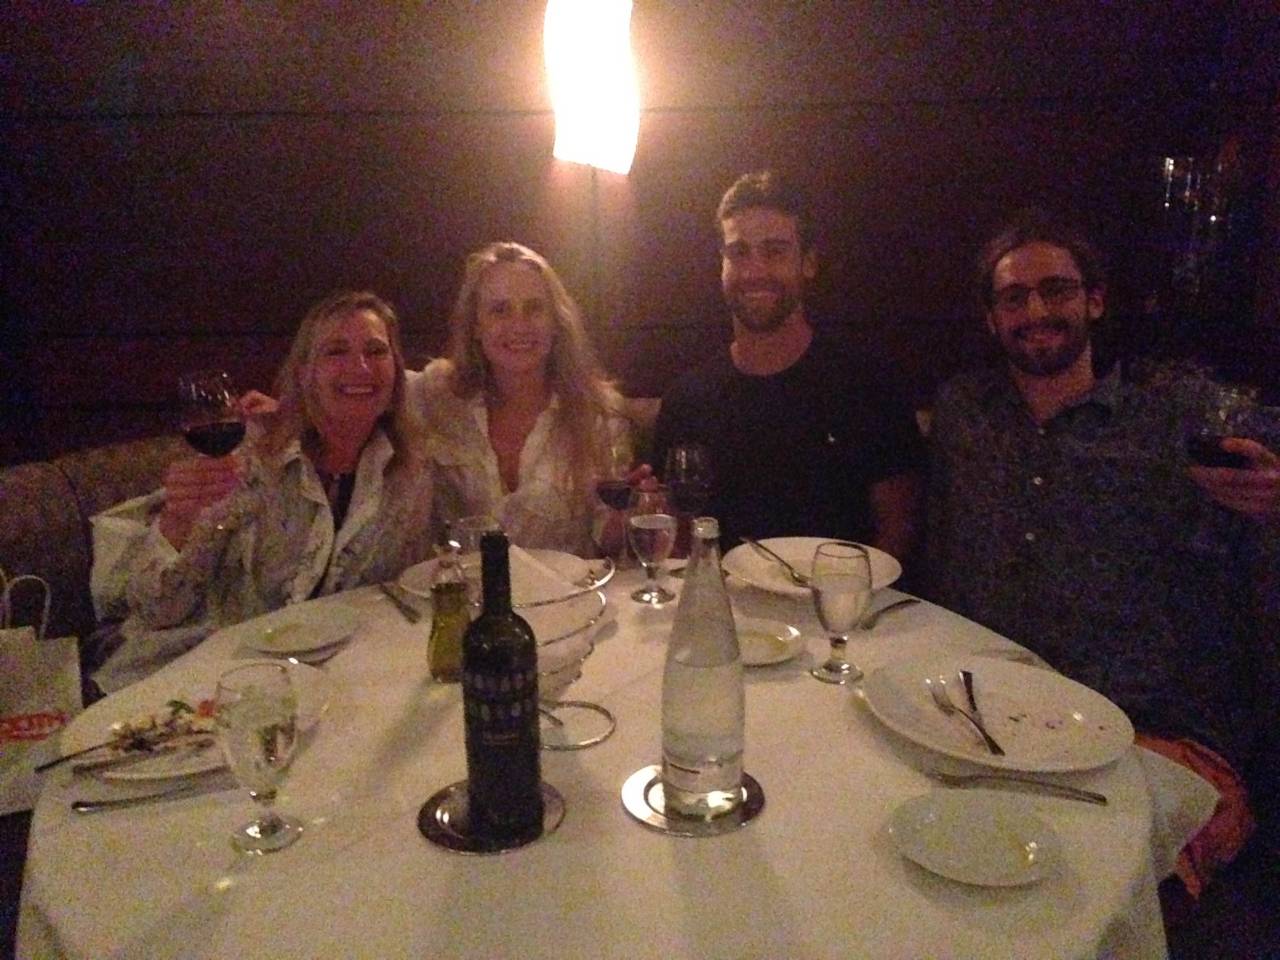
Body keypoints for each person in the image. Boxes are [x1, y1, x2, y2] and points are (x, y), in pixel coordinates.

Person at [923, 208, 1280, 900]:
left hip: (1137, 727)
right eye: (1014, 298)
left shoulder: (1173, 419)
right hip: (981, 715)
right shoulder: (963, 412)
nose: (1036, 312)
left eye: (1056, 290)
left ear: (1095, 300)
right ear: (992, 320)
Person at [93, 291, 435, 692]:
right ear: (305, 372)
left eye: (376, 351)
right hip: (212, 672)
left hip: (337, 674)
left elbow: (402, 590)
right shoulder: (247, 460)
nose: (360, 367)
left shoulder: (409, 471)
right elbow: (158, 610)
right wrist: (177, 523)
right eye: (335, 351)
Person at [651, 170, 921, 558]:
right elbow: (676, 541)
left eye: (775, 251)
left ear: (808, 263)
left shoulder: (869, 387)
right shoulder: (687, 400)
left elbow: (900, 528)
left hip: (844, 596)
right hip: (721, 597)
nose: (754, 271)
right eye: (739, 253)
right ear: (721, 264)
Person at [409, 241, 634, 557]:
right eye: (500, 310)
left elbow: (608, 547)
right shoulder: (435, 395)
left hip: (564, 587)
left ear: (556, 322)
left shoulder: (599, 414)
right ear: (476, 326)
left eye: (534, 308)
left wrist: (629, 514)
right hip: (462, 587)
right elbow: (371, 384)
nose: (519, 325)